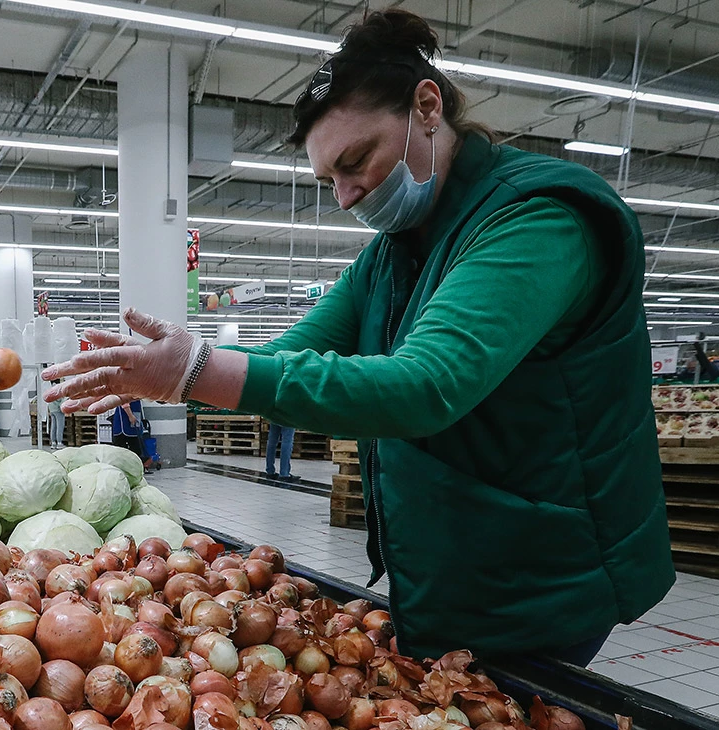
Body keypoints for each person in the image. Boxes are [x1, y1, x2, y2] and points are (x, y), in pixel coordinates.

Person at [41, 9, 674, 666]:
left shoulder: (538, 221)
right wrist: (165, 374)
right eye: (328, 181)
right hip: (454, 560)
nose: (345, 196)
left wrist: (196, 370)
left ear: (427, 106)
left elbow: (428, 384)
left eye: (356, 160)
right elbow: (287, 354)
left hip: (543, 572)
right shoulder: (394, 254)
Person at [47, 380, 65, 449]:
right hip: (58, 409)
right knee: (60, 426)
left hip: (51, 409)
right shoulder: (58, 388)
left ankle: (53, 442)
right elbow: (60, 399)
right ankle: (59, 442)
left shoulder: (50, 388)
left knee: (53, 426)